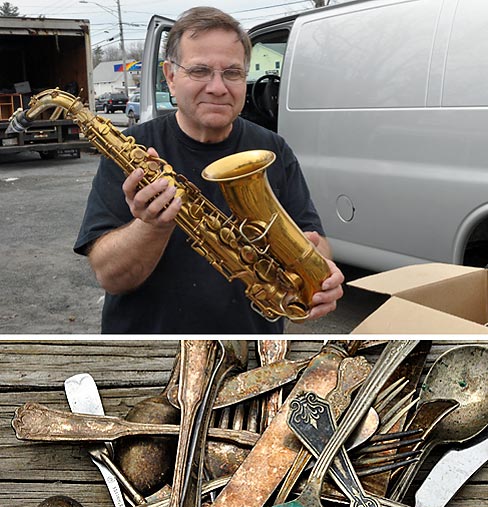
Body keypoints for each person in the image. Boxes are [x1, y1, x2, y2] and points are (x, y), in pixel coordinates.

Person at [75, 6, 344, 334]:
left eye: (232, 73)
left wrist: (320, 270)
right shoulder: (131, 151)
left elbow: (315, 238)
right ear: (171, 77)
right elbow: (109, 277)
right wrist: (151, 227)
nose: (218, 87)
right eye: (200, 71)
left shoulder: (273, 150)